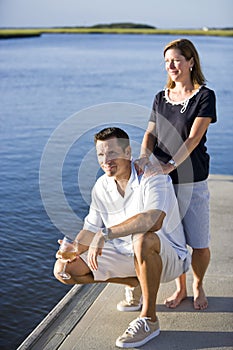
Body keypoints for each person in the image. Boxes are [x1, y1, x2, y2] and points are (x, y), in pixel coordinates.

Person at [54, 127, 191, 348]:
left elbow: (153, 221)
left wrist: (105, 234)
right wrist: (73, 249)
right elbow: (90, 228)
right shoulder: (101, 186)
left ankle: (149, 319)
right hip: (127, 255)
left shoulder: (153, 175)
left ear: (128, 152)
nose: (106, 160)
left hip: (169, 258)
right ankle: (135, 282)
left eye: (112, 153)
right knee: (64, 270)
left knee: (142, 238)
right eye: (101, 154)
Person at [135, 38, 217, 310]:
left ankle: (198, 284)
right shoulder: (161, 97)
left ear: (191, 62)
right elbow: (150, 132)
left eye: (177, 60)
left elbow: (193, 139)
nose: (171, 65)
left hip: (191, 179)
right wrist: (144, 157)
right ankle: (180, 287)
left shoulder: (205, 96)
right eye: (167, 61)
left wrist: (171, 164)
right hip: (160, 180)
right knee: (173, 238)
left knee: (199, 242)